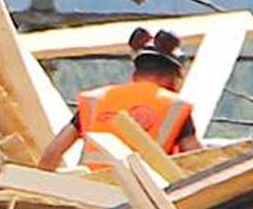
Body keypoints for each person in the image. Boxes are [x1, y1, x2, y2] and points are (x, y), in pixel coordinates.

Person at [47, 27, 200, 167]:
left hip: (93, 189)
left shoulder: (97, 100)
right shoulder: (174, 107)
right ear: (173, 77)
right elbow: (199, 162)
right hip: (147, 191)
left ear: (135, 73)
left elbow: (52, 153)